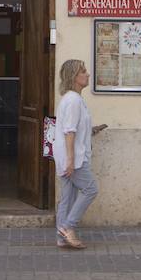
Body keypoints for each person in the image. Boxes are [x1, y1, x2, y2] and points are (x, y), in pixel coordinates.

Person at [51, 59, 107, 249]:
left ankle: (61, 237)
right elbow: (69, 131)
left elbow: (75, 127)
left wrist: (91, 130)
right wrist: (71, 160)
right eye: (83, 71)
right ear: (75, 77)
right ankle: (68, 227)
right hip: (74, 158)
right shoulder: (73, 100)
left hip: (67, 157)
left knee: (68, 196)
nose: (88, 74)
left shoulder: (70, 99)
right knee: (91, 189)